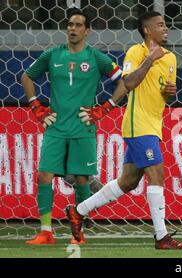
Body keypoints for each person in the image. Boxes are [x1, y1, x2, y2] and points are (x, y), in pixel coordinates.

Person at [66, 10, 182, 250]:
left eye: (166, 25)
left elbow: (162, 91)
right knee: (157, 173)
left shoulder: (171, 58)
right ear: (147, 30)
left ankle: (78, 211)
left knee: (128, 182)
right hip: (138, 124)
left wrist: (168, 93)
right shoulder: (137, 52)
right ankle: (161, 236)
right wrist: (149, 59)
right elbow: (129, 83)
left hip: (154, 124)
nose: (166, 29)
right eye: (160, 25)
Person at [21, 8, 127, 245]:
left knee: (81, 179)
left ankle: (77, 233)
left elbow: (124, 81)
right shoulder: (52, 55)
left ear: (87, 31)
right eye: (70, 24)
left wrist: (105, 107)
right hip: (56, 127)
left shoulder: (96, 57)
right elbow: (27, 77)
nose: (73, 28)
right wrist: (36, 107)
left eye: (78, 25)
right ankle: (46, 231)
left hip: (83, 127)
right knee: (44, 174)